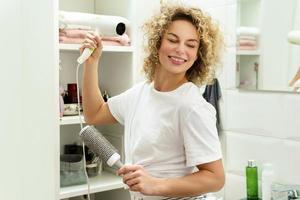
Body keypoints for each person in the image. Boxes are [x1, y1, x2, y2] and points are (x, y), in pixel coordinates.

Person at [81, 4, 225, 200]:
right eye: (173, 40)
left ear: (198, 55)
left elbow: (215, 178)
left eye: (191, 45)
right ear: (158, 42)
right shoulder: (140, 93)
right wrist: (92, 63)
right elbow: (94, 113)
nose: (181, 50)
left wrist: (156, 185)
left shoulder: (191, 106)